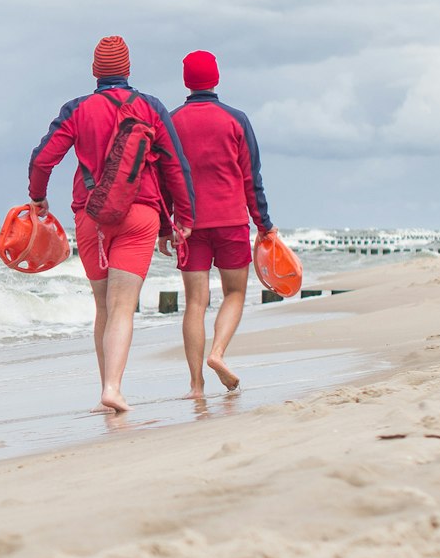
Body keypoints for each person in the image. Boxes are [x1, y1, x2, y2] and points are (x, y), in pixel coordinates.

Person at [27, 36, 195, 413]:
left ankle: (105, 388)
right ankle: (114, 388)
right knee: (123, 306)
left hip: (91, 216)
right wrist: (182, 217)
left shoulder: (77, 109)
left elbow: (42, 160)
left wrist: (38, 197)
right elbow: (174, 166)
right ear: (127, 69)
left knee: (103, 305)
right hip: (140, 215)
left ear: (95, 71)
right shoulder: (151, 107)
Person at [170, 50, 275, 394]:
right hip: (231, 221)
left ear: (187, 81)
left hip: (189, 225)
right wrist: (264, 224)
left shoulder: (171, 122)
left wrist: (164, 223)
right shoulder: (236, 119)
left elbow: (165, 178)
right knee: (234, 293)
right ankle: (217, 354)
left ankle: (196, 384)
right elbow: (251, 178)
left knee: (195, 304)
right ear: (215, 78)